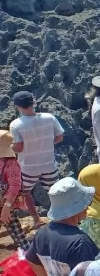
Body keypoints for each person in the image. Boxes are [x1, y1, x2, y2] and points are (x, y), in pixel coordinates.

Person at [24, 177, 100, 276]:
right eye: (86, 203)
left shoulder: (42, 233)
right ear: (76, 209)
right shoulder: (80, 243)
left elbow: (31, 260)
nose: (87, 207)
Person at [9, 90, 64, 227]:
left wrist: (8, 147)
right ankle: (62, 220)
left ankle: (36, 219)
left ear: (17, 106)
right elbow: (59, 137)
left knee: (24, 193)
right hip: (49, 165)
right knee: (56, 194)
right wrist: (44, 144)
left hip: (28, 168)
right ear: (34, 102)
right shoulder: (49, 118)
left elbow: (19, 148)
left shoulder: (16, 124)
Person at [0, 130, 29, 251]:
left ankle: (30, 257)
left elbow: (15, 185)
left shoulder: (11, 164)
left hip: (7, 204)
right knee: (16, 231)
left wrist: (7, 207)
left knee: (17, 234)